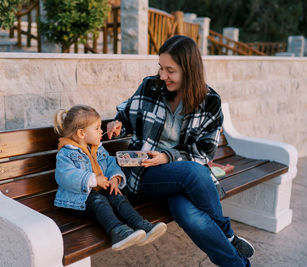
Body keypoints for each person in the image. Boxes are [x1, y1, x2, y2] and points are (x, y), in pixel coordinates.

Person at [107, 35, 254, 266]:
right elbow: (125, 117)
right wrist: (116, 125)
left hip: (182, 178)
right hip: (144, 174)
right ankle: (228, 234)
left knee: (187, 212)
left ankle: (238, 264)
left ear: (189, 70)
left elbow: (205, 152)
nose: (163, 75)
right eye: (161, 68)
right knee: (194, 173)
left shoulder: (210, 102)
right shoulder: (151, 86)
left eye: (170, 70)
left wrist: (168, 156)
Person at [53, 105, 167, 251]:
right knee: (98, 200)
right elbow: (65, 176)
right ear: (81, 133)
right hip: (77, 199)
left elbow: (110, 162)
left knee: (117, 196)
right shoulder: (66, 153)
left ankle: (141, 224)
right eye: (97, 128)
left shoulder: (97, 148)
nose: (101, 131)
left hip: (100, 191)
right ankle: (117, 231)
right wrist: (93, 179)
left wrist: (115, 178)